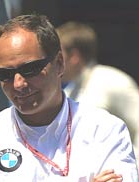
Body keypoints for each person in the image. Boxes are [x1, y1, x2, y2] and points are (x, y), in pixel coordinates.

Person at [0, 14, 139, 182]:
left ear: (59, 64)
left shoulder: (105, 130)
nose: (18, 84)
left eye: (30, 70)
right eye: (5, 74)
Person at [56, 21, 139, 165]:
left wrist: (132, 170)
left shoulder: (112, 80)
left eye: (58, 55)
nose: (53, 62)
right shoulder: (69, 92)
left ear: (74, 56)